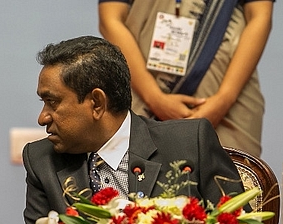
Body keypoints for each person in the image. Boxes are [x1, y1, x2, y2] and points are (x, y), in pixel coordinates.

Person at [22, 36, 245, 224]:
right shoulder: (42, 161)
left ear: (97, 103)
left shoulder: (189, 143)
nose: (43, 118)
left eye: (52, 102)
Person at [98, 0, 274, 157]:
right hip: (140, 94)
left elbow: (260, 16)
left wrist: (224, 99)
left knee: (232, 185)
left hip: (230, 101)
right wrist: (155, 98)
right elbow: (110, 19)